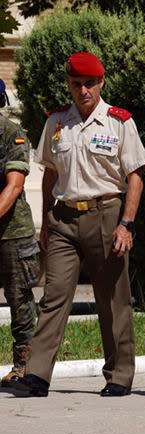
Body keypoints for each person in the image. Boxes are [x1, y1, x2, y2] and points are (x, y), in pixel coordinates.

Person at [11, 52, 145, 397]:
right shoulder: (56, 121)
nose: (83, 90)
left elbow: (135, 177)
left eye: (90, 83)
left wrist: (126, 224)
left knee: (112, 298)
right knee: (54, 297)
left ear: (101, 82)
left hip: (106, 216)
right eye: (77, 84)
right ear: (69, 85)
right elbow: (50, 173)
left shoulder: (119, 122)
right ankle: (38, 374)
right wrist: (45, 221)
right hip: (63, 218)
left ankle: (119, 374)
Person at [0, 78, 40, 388]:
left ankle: (25, 367)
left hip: (12, 233)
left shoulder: (12, 134)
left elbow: (14, 186)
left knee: (20, 301)